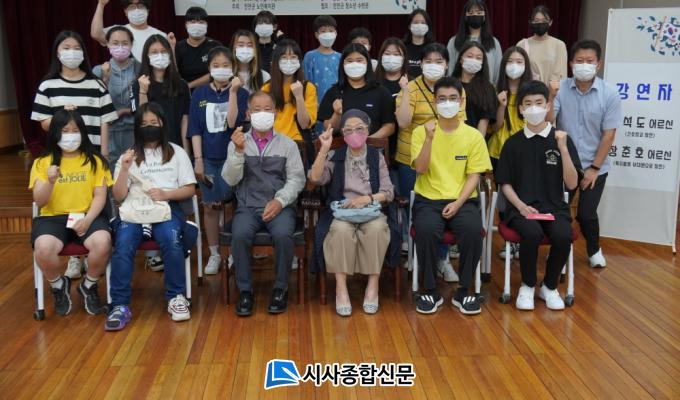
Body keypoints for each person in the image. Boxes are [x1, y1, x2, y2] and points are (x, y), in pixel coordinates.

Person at [31, 30, 118, 280]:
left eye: (76, 48)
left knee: (92, 203)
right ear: (57, 53)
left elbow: (105, 120)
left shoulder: (95, 84)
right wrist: (63, 116)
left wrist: (103, 152)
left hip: (90, 156)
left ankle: (90, 257)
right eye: (66, 48)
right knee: (67, 201)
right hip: (62, 156)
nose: (72, 53)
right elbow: (43, 122)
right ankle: (73, 259)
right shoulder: (48, 85)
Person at [107, 102, 197, 331]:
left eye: (153, 122)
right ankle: (119, 305)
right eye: (144, 123)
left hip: (167, 207)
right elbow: (118, 196)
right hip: (134, 209)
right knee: (123, 243)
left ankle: (176, 297)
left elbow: (189, 189)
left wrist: (166, 194)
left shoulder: (176, 152)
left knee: (171, 240)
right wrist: (124, 169)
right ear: (137, 127)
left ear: (162, 124)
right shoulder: (128, 155)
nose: (149, 127)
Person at [496, 80, 581, 311]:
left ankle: (549, 286)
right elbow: (504, 183)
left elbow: (572, 183)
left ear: (547, 106)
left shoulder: (561, 140)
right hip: (521, 209)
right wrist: (521, 206)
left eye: (539, 103)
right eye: (528, 104)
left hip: (554, 208)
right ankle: (527, 285)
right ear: (521, 109)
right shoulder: (512, 144)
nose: (534, 108)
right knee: (531, 233)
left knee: (563, 235)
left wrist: (563, 149)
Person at [410, 77, 490, 315]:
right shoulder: (421, 132)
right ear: (434, 102)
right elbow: (420, 169)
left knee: (473, 231)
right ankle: (430, 290)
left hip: (463, 199)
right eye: (442, 99)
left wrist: (457, 203)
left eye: (453, 98)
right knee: (425, 230)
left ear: (461, 101)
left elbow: (474, 176)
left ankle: (464, 290)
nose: (447, 103)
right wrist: (429, 139)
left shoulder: (473, 136)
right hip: (428, 199)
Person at [222, 91, 306, 317]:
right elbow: (230, 179)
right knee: (240, 235)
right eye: (256, 109)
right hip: (248, 206)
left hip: (280, 207)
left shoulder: (287, 144)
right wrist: (238, 152)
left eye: (267, 109)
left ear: (276, 113)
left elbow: (297, 179)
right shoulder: (238, 141)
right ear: (248, 114)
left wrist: (280, 201)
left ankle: (280, 288)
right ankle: (245, 291)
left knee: (283, 235)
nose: (262, 113)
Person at [309, 111, 395, 316]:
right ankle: (341, 289)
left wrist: (367, 199)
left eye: (359, 128)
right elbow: (315, 178)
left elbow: (388, 192)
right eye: (348, 130)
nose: (354, 133)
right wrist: (324, 150)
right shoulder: (336, 156)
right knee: (339, 231)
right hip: (342, 212)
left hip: (370, 209)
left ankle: (373, 286)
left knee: (377, 230)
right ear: (343, 134)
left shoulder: (376, 156)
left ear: (367, 129)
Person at [30, 110, 112, 317]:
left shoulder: (95, 161)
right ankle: (58, 285)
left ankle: (89, 285)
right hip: (53, 217)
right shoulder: (43, 162)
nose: (70, 135)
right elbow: (40, 201)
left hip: (88, 214)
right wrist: (50, 181)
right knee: (43, 249)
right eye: (65, 131)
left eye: (75, 130)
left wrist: (88, 219)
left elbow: (100, 196)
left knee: (103, 243)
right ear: (55, 133)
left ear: (82, 132)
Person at [395, 43, 466, 281]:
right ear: (421, 64)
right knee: (415, 209)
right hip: (411, 158)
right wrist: (405, 91)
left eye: (439, 61)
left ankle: (443, 260)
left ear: (447, 65)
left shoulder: (456, 89)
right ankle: (418, 256)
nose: (433, 65)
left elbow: (461, 124)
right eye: (428, 61)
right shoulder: (411, 88)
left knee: (443, 210)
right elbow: (403, 122)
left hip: (446, 162)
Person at [549, 40, 621, 268]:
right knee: (560, 211)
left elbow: (609, 135)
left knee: (586, 214)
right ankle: (558, 252)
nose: (584, 65)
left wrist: (594, 169)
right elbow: (548, 122)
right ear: (571, 64)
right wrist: (550, 96)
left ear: (598, 64)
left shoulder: (610, 94)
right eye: (579, 61)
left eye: (589, 61)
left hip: (596, 164)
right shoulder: (561, 89)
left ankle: (594, 249)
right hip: (565, 163)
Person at [188, 47, 249, 275]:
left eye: (226, 65)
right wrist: (198, 160)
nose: (221, 69)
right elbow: (195, 129)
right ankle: (214, 254)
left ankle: (231, 252)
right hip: (208, 158)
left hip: (232, 158)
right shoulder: (200, 94)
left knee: (232, 205)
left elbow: (233, 123)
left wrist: (233, 92)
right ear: (209, 68)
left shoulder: (241, 93)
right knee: (210, 206)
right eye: (216, 65)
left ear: (233, 68)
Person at [487, 46, 533, 259]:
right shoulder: (495, 90)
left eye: (519, 62)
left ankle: (523, 238)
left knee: (525, 194)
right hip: (499, 152)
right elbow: (495, 127)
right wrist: (501, 106)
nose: (515, 66)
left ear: (526, 66)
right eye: (510, 62)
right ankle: (509, 242)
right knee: (505, 198)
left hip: (526, 152)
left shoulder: (531, 92)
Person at [318, 44, 395, 139]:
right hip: (341, 147)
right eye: (349, 61)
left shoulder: (381, 92)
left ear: (367, 63)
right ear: (343, 64)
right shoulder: (333, 92)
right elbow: (329, 129)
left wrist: (366, 142)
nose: (354, 64)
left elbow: (389, 126)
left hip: (372, 146)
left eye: (359, 60)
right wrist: (337, 114)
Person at [93, 26, 141, 170]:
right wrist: (105, 79)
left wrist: (126, 111)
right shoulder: (98, 71)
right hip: (108, 131)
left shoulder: (140, 68)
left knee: (135, 168)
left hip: (134, 130)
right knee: (109, 168)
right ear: (107, 44)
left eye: (125, 43)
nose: (120, 47)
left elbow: (145, 100)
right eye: (115, 43)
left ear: (131, 45)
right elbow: (96, 104)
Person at [133, 34, 190, 152]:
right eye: (154, 52)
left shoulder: (181, 85)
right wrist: (143, 91)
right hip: (150, 147)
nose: (160, 55)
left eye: (163, 51)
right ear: (147, 56)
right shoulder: (138, 84)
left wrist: (186, 151)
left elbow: (185, 121)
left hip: (177, 147)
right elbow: (141, 118)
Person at [262, 39, 318, 142]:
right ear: (276, 61)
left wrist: (299, 97)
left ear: (299, 61)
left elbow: (304, 124)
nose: (289, 61)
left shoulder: (308, 87)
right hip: (272, 142)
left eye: (293, 57)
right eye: (284, 57)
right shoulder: (266, 88)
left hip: (298, 142)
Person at [91, 0, 168, 62]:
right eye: (132, 7)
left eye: (141, 6)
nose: (137, 10)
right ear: (125, 12)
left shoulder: (161, 35)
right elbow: (96, 34)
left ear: (147, 10)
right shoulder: (118, 32)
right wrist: (101, 5)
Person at [446, 0, 502, 84]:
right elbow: (450, 70)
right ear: (465, 16)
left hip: (486, 89)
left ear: (484, 16)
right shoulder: (454, 41)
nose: (475, 15)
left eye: (479, 13)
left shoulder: (494, 42)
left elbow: (498, 72)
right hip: (459, 89)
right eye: (471, 13)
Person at [452, 41, 498, 137]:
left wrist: (476, 143)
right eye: (469, 56)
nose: (474, 60)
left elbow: (484, 121)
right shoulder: (450, 84)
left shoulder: (487, 88)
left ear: (483, 62)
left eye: (478, 58)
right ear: (461, 59)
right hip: (450, 137)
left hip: (474, 140)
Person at [517, 5, 568, 87]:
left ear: (550, 22)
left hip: (552, 92)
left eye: (544, 20)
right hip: (529, 91)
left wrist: (550, 92)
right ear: (531, 22)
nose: (540, 23)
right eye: (536, 21)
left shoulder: (559, 45)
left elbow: (561, 74)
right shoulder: (522, 44)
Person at [175, 6, 222, 90]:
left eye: (201, 22)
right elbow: (174, 72)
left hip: (211, 90)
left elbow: (218, 71)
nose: (197, 25)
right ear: (186, 25)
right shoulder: (179, 47)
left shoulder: (215, 46)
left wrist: (189, 85)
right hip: (185, 92)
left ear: (206, 25)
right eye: (192, 22)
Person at [303, 15, 341, 110]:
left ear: (336, 33)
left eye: (331, 31)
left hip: (337, 103)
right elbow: (306, 80)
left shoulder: (340, 57)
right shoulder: (310, 56)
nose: (327, 34)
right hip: (315, 103)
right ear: (316, 34)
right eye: (323, 31)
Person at [402, 9, 435, 79]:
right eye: (416, 22)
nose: (419, 25)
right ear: (409, 26)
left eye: (423, 23)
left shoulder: (434, 48)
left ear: (428, 26)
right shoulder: (402, 47)